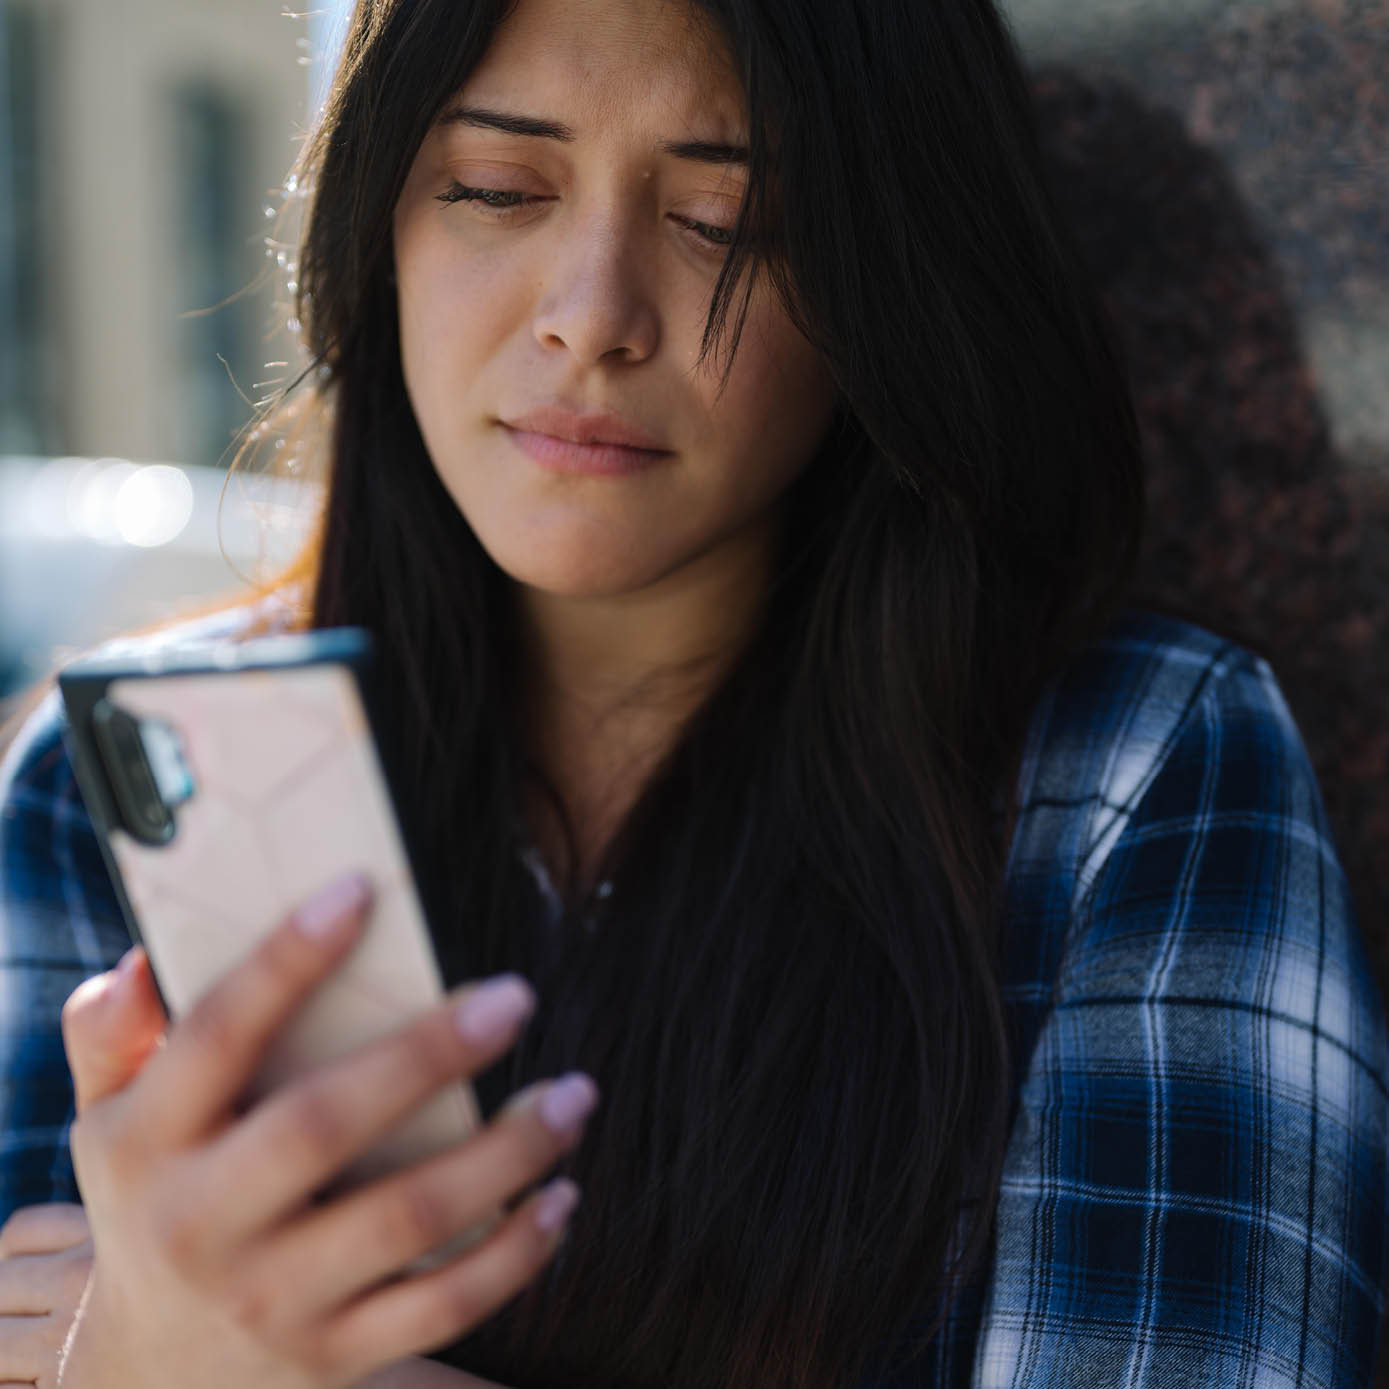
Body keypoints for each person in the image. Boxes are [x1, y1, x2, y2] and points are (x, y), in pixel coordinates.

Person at [1, 0, 1385, 1384]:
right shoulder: (121, 777)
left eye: (724, 221)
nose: (590, 318)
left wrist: (165, 1359)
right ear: (375, 226)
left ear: (880, 281)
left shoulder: (1130, 778)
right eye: (496, 188)